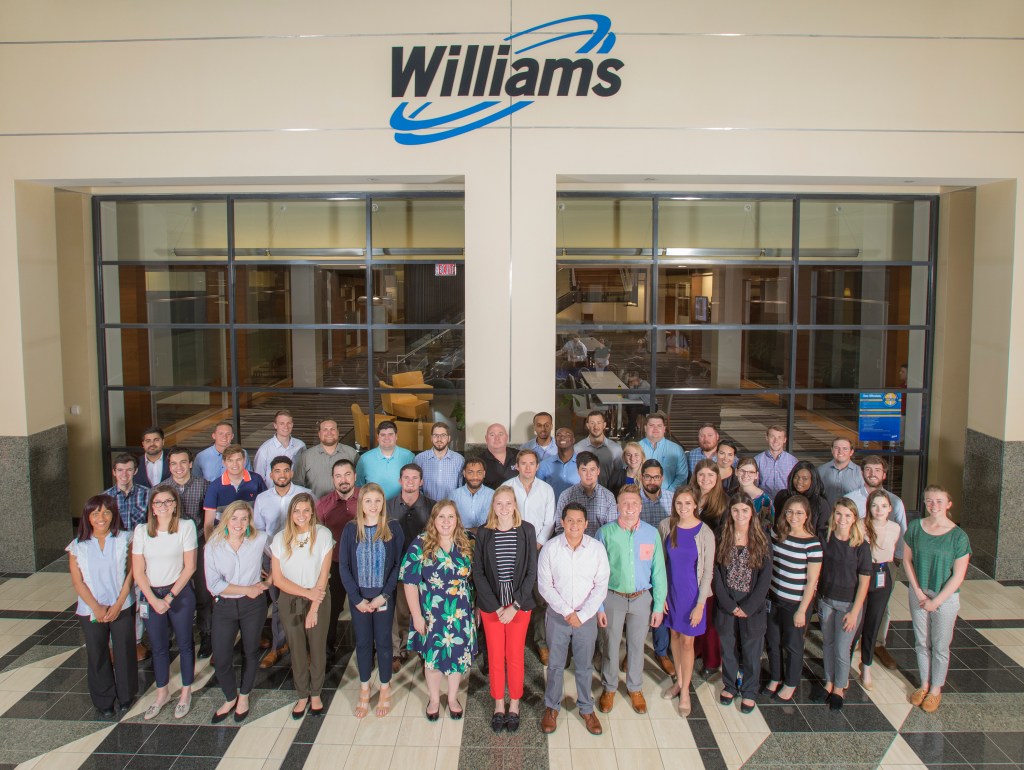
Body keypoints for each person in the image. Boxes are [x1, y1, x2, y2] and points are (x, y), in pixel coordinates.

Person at [400, 500, 477, 720]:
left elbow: (478, 578)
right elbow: (409, 581)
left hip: (460, 612)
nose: (446, 521)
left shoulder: (468, 542)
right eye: (441, 517)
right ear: (433, 520)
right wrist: (416, 615)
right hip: (431, 612)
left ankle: (452, 697)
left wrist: (477, 606)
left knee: (457, 660)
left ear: (457, 520)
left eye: (450, 517)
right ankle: (434, 698)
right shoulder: (421, 544)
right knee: (432, 660)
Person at [538, 502, 610, 737]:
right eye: (570, 520)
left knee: (584, 665)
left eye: (580, 521)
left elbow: (601, 586)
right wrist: (567, 611)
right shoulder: (550, 548)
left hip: (585, 618)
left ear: (586, 524)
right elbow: (544, 586)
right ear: (562, 522)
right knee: (556, 665)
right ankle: (552, 707)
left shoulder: (597, 549)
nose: (575, 525)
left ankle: (586, 708)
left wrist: (581, 614)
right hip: (558, 616)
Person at [596, 485, 667, 716]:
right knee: (611, 644)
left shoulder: (651, 533)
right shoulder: (605, 533)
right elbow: (596, 572)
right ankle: (610, 687)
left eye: (634, 503)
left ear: (640, 506)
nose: (629, 508)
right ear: (617, 506)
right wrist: (598, 606)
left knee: (637, 645)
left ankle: (635, 688)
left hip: (641, 599)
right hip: (613, 597)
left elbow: (659, 572)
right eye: (624, 503)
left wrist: (658, 605)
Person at [473, 486, 538, 733]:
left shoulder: (527, 530)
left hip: (519, 606)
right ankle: (499, 704)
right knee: (496, 656)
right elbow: (478, 572)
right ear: (493, 506)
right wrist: (497, 606)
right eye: (498, 503)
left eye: (507, 503)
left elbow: (531, 571)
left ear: (515, 505)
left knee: (514, 655)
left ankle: (514, 704)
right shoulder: (484, 532)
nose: (503, 508)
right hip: (493, 606)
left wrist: (515, 606)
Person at [338, 483, 405, 719]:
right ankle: (365, 689)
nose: (373, 506)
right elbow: (344, 566)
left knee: (384, 643)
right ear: (361, 504)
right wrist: (356, 599)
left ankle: (385, 689)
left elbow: (398, 565)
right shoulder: (350, 529)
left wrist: (383, 596)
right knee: (364, 644)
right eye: (368, 501)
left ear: (383, 503)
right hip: (360, 600)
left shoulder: (393, 528)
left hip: (383, 598)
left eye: (378, 501)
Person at [903, 485, 971, 713]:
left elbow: (958, 575)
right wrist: (919, 592)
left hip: (945, 597)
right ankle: (923, 685)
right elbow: (907, 561)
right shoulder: (915, 527)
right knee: (922, 642)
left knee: (940, 645)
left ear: (949, 504)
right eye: (929, 501)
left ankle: (935, 690)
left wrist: (937, 601)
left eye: (939, 501)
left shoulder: (958, 536)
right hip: (919, 592)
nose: (934, 505)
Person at [131, 484, 198, 720]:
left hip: (179, 594)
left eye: (168, 502)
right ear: (152, 507)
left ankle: (185, 692)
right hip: (151, 595)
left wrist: (169, 597)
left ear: (175, 504)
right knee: (159, 647)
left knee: (185, 643)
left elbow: (190, 566)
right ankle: (162, 693)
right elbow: (138, 572)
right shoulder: (141, 531)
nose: (164, 506)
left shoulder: (185, 527)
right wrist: (152, 599)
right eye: (158, 502)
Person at [67, 494, 137, 717]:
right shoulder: (78, 546)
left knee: (124, 650)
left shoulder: (126, 538)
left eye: (106, 512)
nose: (101, 517)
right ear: (87, 516)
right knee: (97, 654)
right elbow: (77, 581)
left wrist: (118, 604)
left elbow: (132, 574)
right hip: (91, 609)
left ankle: (126, 696)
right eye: (95, 513)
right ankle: (104, 700)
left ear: (113, 515)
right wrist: (96, 608)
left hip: (122, 605)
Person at [204, 500, 269, 723]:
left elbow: (278, 557)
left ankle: (244, 696)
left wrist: (269, 581)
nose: (239, 523)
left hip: (254, 606)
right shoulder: (213, 545)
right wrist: (246, 589)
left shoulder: (259, 539)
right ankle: (230, 696)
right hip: (225, 606)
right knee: (221, 657)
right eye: (234, 518)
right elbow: (213, 584)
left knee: (250, 652)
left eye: (244, 518)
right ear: (226, 520)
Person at [270, 492, 334, 719]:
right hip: (290, 598)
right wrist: (304, 593)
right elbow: (278, 580)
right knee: (296, 649)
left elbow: (324, 575)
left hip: (318, 596)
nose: (301, 515)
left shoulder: (323, 535)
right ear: (290, 514)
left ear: (312, 512)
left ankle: (315, 693)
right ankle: (302, 694)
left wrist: (314, 607)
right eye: (297, 511)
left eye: (306, 510)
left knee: (317, 648)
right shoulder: (280, 539)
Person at [712, 492, 772, 714]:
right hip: (727, 603)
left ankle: (749, 690)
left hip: (752, 605)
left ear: (752, 513)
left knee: (751, 649)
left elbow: (766, 577)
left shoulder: (762, 538)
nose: (740, 514)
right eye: (735, 510)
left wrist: (749, 606)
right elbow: (716, 573)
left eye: (745, 510)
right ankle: (730, 685)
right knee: (728, 648)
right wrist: (728, 604)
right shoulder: (722, 535)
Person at [658, 486, 715, 717]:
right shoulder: (666, 526)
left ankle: (685, 692)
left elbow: (708, 571)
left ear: (696, 505)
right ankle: (679, 681)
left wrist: (700, 604)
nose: (683, 508)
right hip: (671, 592)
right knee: (674, 635)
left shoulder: (705, 532)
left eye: (688, 504)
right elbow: (660, 565)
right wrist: (660, 595)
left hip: (692, 596)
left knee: (688, 643)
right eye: (679, 503)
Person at [253, 455, 311, 669]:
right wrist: (261, 559)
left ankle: (304, 648)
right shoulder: (262, 499)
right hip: (272, 559)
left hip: (301, 560)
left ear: (292, 472)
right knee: (278, 605)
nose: (282, 475)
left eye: (286, 470)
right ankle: (278, 646)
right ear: (271, 474)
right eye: (277, 471)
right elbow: (258, 532)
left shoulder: (305, 495)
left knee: (303, 604)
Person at [764, 495, 823, 702]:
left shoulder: (813, 543)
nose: (793, 516)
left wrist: (802, 610)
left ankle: (790, 683)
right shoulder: (777, 533)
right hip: (773, 598)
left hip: (796, 603)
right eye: (790, 512)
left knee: (793, 644)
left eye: (799, 513)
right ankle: (775, 677)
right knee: (773, 641)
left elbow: (812, 581)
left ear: (807, 515)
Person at [500, 449, 555, 664]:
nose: (528, 468)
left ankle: (541, 643)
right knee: (510, 594)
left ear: (537, 466)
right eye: (523, 463)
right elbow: (500, 514)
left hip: (539, 549)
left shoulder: (546, 490)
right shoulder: (507, 488)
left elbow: (549, 521)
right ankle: (511, 644)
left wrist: (538, 543)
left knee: (539, 598)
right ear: (517, 466)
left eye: (532, 464)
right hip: (511, 549)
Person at [818, 497, 871, 711]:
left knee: (842, 648)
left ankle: (839, 688)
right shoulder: (825, 537)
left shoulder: (861, 545)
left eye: (847, 515)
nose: (842, 519)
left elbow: (865, 581)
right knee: (828, 643)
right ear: (833, 515)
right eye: (839, 514)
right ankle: (829, 682)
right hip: (826, 600)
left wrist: (855, 611)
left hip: (849, 604)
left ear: (854, 518)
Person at [162, 446, 213, 659]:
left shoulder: (204, 486)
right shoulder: (162, 489)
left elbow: (209, 519)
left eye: (183, 462)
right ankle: (182, 637)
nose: (178, 467)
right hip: (172, 548)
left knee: (202, 592)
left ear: (191, 463)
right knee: (177, 591)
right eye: (173, 463)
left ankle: (207, 634)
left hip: (199, 544)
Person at [387, 463, 436, 672]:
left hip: (425, 568)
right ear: (400, 481)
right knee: (398, 611)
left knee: (425, 610)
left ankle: (425, 650)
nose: (410, 482)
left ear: (421, 482)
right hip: (396, 567)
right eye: (406, 478)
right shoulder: (388, 506)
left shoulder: (432, 506)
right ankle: (397, 650)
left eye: (415, 478)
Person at [104, 452, 150, 661]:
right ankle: (115, 644)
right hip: (116, 557)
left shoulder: (147, 495)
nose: (125, 474)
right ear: (114, 472)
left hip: (141, 554)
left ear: (136, 471)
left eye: (129, 470)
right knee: (117, 596)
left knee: (140, 597)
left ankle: (137, 641)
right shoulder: (105, 499)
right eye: (120, 470)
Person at [857, 489, 902, 691]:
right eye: (875, 505)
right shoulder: (859, 525)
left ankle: (866, 665)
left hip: (883, 574)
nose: (879, 510)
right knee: (856, 621)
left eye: (884, 506)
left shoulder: (895, 528)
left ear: (890, 508)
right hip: (862, 573)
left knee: (874, 622)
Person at [315, 458, 359, 657]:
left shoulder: (368, 499)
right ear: (333, 479)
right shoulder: (323, 505)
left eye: (347, 474)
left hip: (362, 565)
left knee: (363, 609)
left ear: (355, 476)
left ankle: (367, 649)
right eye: (338, 476)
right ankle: (325, 650)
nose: (343, 480)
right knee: (331, 610)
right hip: (335, 564)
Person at [691, 458, 729, 677]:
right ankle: (695, 649)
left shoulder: (724, 503)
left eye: (710, 476)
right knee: (693, 609)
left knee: (709, 614)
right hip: (690, 565)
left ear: (718, 479)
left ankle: (712, 660)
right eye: (702, 474)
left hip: (711, 567)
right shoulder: (689, 497)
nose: (705, 479)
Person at [203, 445, 267, 540]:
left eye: (238, 460)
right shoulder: (214, 486)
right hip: (224, 538)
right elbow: (209, 523)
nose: (235, 464)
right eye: (230, 460)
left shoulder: (256, 480)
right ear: (224, 462)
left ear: (244, 460)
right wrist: (209, 547)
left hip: (252, 536)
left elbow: (266, 511)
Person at [554, 451, 617, 537]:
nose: (588, 474)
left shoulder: (609, 497)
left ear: (598, 471)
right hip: (572, 547)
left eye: (592, 469)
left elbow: (611, 530)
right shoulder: (566, 496)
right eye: (584, 470)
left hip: (600, 547)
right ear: (578, 471)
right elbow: (560, 528)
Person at [293, 418, 358, 499]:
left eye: (332, 429)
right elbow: (297, 485)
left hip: (346, 507)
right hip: (316, 508)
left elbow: (359, 481)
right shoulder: (306, 456)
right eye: (325, 429)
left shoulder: (351, 453)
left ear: (338, 432)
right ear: (319, 434)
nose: (329, 433)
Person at [356, 421, 416, 500]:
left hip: (402, 508)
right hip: (373, 508)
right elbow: (359, 487)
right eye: (383, 435)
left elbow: (415, 485)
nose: (386, 438)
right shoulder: (364, 459)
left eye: (390, 434)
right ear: (378, 437)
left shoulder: (408, 457)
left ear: (396, 436)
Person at [772, 461, 831, 539]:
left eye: (805, 478)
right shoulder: (782, 496)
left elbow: (823, 534)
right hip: (783, 542)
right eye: (796, 477)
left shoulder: (821, 503)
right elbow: (777, 525)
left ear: (812, 480)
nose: (799, 481)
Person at [414, 422, 465, 501]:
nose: (439, 439)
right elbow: (416, 487)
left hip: (450, 508)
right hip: (426, 508)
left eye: (443, 435)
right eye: (435, 435)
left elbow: (461, 487)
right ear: (431, 438)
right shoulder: (419, 459)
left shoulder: (459, 460)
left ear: (449, 438)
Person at [639, 412, 688, 490]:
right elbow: (630, 473)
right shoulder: (636, 448)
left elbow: (682, 476)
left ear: (664, 429)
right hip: (641, 497)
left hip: (670, 497)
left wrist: (667, 494)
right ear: (645, 428)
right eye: (651, 425)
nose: (655, 428)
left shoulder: (676, 450)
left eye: (659, 426)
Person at [253, 410, 307, 480]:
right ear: (275, 425)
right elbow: (258, 478)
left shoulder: (301, 445)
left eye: (289, 423)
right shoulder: (264, 450)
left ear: (292, 424)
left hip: (297, 490)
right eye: (282, 423)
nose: (286, 426)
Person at [574, 411, 622, 483]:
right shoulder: (578, 448)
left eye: (599, 423)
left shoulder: (615, 449)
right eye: (592, 423)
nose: (596, 427)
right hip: (585, 492)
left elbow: (620, 474)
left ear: (604, 425)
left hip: (610, 492)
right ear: (587, 425)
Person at [754, 425, 799, 500]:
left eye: (779, 437)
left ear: (785, 440)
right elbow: (753, 486)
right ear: (767, 438)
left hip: (786, 503)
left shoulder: (793, 462)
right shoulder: (757, 460)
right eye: (772, 436)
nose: (776, 441)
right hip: (764, 504)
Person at [450, 457, 494, 530]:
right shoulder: (453, 496)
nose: (475, 477)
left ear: (484, 474)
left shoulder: (493, 495)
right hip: (459, 537)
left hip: (486, 538)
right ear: (464, 473)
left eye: (479, 472)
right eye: (470, 472)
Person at [537, 426, 580, 499]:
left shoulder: (583, 464)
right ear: (555, 440)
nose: (562, 437)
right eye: (559, 435)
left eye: (567, 434)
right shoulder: (544, 465)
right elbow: (538, 492)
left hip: (578, 509)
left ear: (573, 440)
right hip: (553, 509)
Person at [818, 437, 861, 506]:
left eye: (845, 448)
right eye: (836, 448)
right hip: (828, 515)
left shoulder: (860, 472)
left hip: (853, 515)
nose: (840, 451)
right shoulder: (821, 470)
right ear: (832, 450)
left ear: (851, 452)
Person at [735, 456, 774, 531]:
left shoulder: (765, 500)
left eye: (751, 472)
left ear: (756, 475)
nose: (745, 475)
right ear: (736, 472)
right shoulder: (730, 494)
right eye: (742, 471)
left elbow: (770, 527)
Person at [481, 423, 518, 489]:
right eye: (492, 435)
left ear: (507, 437)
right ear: (486, 438)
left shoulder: (519, 455)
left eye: (500, 434)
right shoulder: (479, 461)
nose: (497, 438)